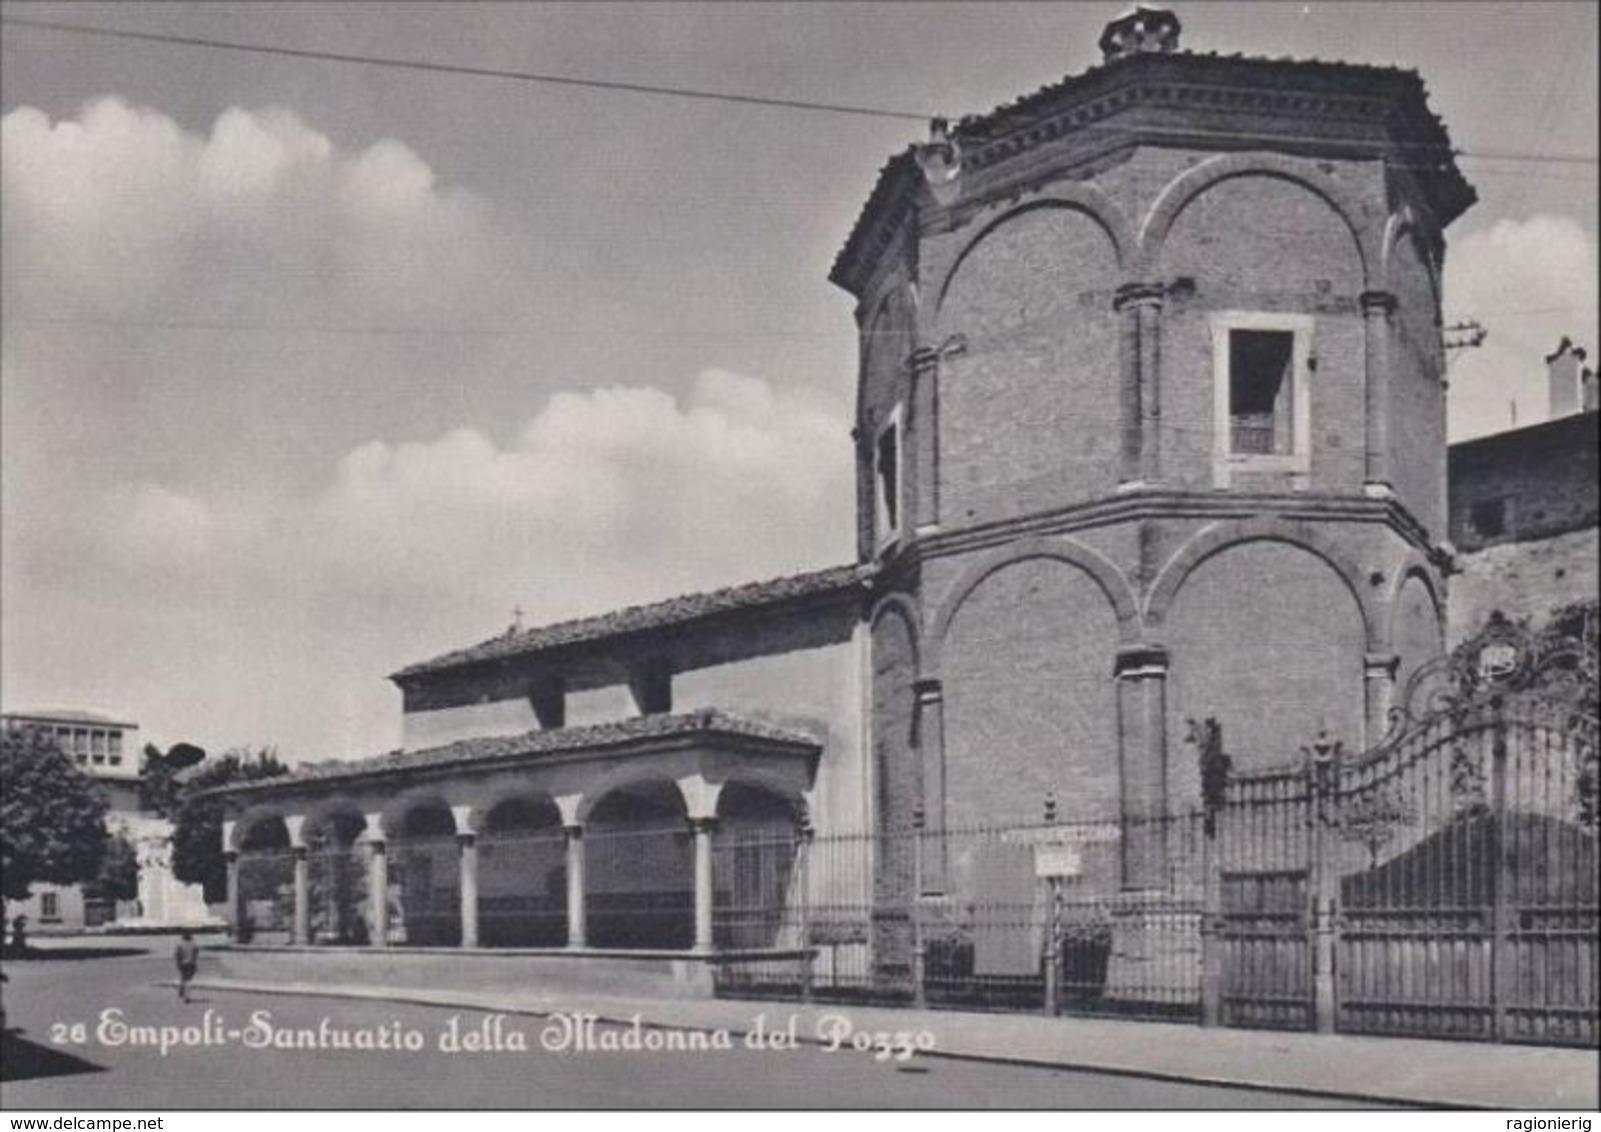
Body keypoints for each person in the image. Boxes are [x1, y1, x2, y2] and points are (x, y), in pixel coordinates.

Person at [173, 931, 200, 1003]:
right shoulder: (194, 945)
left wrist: (178, 963)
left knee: (183, 977)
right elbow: (196, 955)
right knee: (189, 980)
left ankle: (181, 989)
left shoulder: (180, 945)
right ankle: (187, 996)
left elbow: (177, 955)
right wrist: (194, 963)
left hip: (182, 964)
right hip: (191, 964)